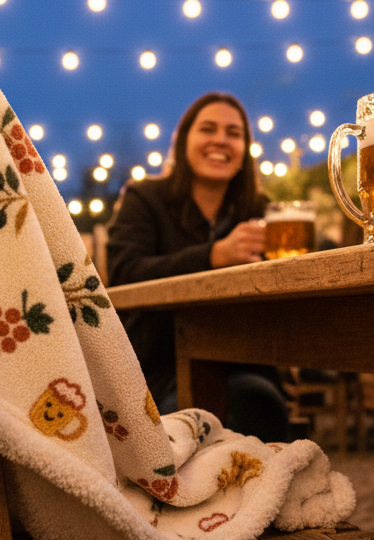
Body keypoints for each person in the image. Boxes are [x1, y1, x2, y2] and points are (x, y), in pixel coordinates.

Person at [106, 92, 291, 442]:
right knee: (197, 417)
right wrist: (213, 255)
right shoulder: (145, 199)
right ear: (183, 142)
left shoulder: (259, 209)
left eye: (233, 133)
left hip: (246, 360)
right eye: (208, 129)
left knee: (261, 402)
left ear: (244, 150)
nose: (221, 139)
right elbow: (124, 272)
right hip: (161, 366)